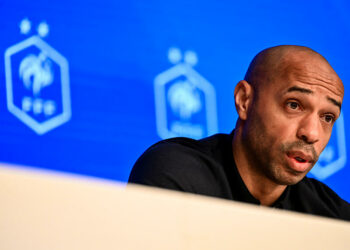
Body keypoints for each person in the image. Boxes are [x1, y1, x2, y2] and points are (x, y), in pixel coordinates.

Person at [129, 45, 350, 221]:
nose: (312, 133)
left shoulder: (331, 216)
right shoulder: (176, 173)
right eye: (293, 105)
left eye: (327, 118)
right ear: (244, 101)